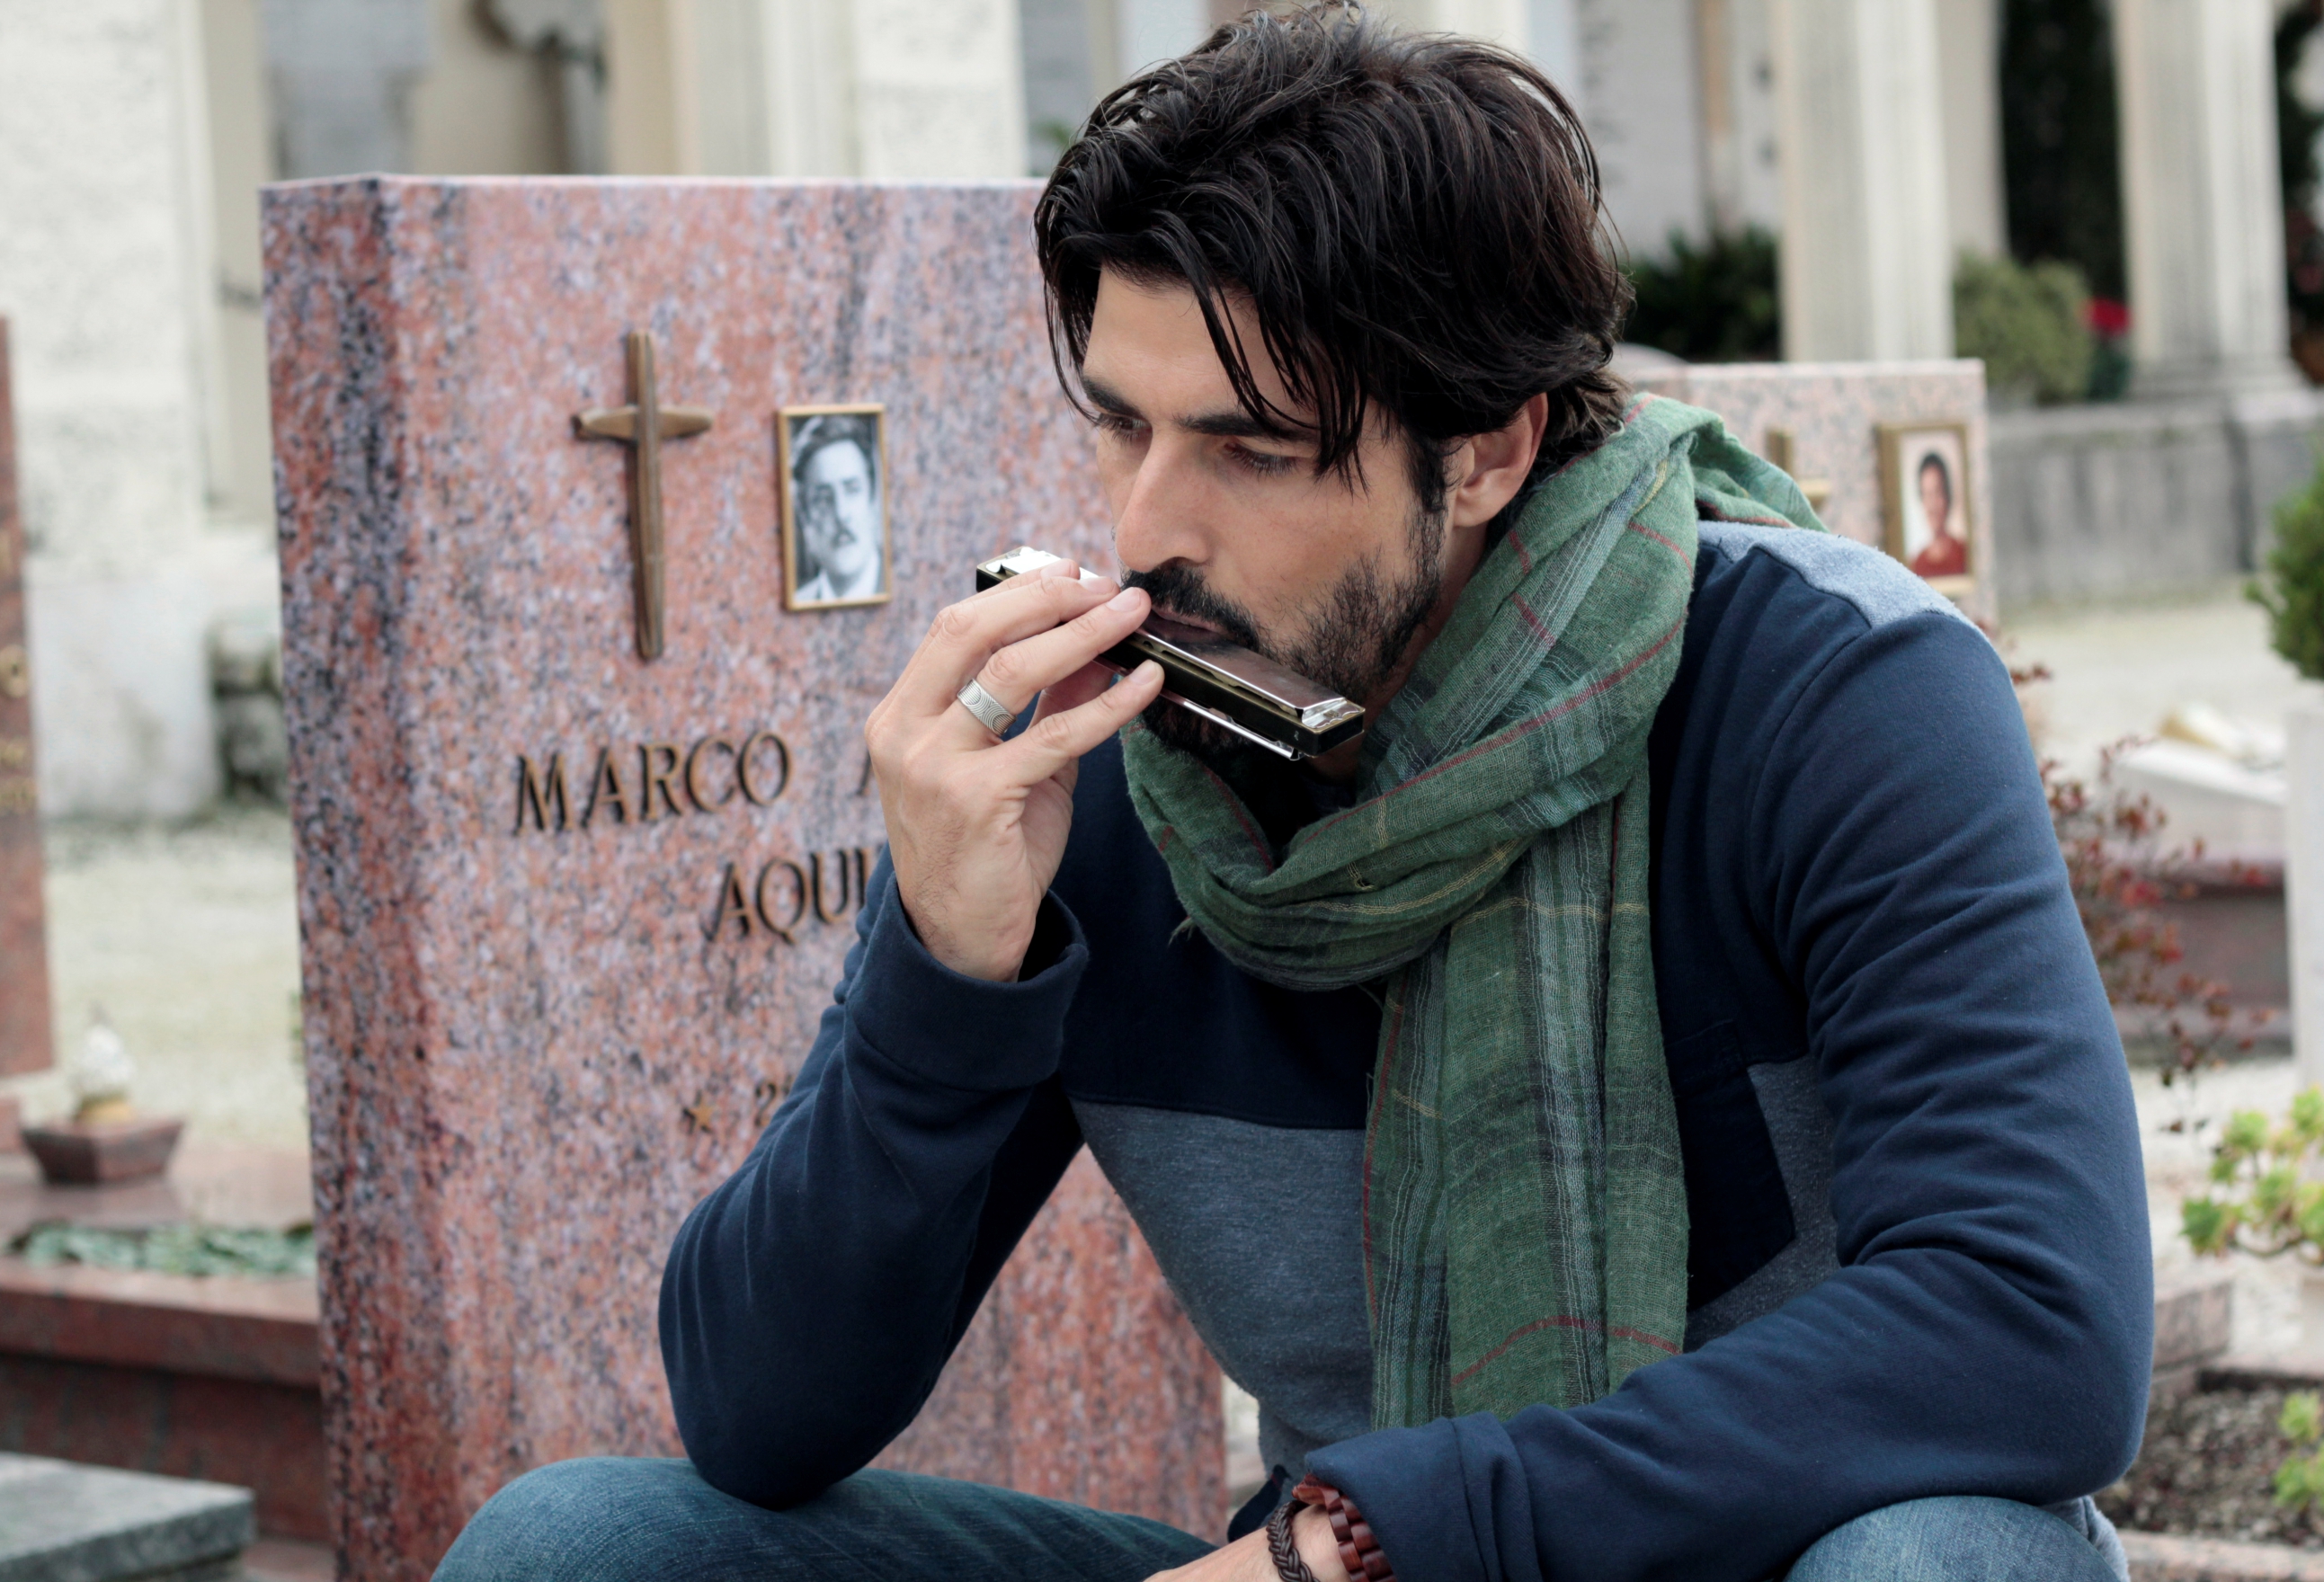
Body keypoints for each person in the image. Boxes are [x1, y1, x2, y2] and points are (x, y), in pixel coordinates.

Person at [436, 8, 2148, 1581]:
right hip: (1332, 1561)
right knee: (580, 1548)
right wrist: (945, 977)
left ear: (1487, 450)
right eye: (1122, 426)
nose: (1145, 530)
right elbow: (758, 1417)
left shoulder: (1833, 689)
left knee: (1943, 1568)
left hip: (1674, 1556)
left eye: (1251, 451)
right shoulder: (1101, 761)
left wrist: (1354, 1543)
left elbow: (2028, 1325)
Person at [789, 413, 884, 603]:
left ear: (873, 501)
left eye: (852, 490)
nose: (841, 514)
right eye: (823, 499)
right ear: (805, 518)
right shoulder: (801, 600)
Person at [1909, 449, 1968, 579]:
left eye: (1938, 493)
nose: (1933, 505)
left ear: (1947, 495)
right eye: (1928, 495)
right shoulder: (1916, 564)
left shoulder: (1965, 553)